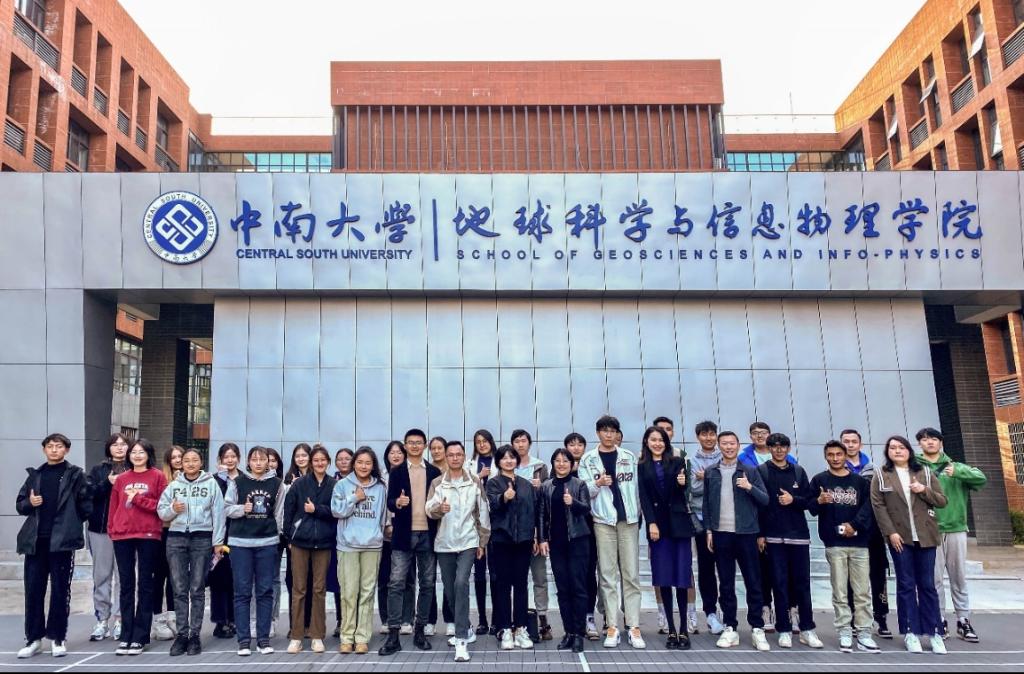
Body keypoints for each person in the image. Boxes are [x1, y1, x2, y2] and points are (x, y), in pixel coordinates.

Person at [871, 435, 949, 655]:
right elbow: (878, 505)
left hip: (925, 536)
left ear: (909, 450)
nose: (897, 451)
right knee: (906, 584)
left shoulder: (925, 472)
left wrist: (922, 490)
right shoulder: (881, 475)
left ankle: (934, 632)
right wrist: (890, 532)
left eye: (901, 447)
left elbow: (942, 500)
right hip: (900, 538)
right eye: (892, 448)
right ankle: (910, 631)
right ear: (887, 452)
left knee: (927, 585)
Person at [16, 433, 92, 659]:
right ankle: (33, 639)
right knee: (33, 591)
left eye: (59, 446)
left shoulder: (75, 474)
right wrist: (30, 502)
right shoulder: (35, 475)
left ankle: (58, 638)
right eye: (50, 446)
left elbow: (86, 505)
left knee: (60, 591)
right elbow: (20, 505)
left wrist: (72, 523)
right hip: (35, 542)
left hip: (62, 543)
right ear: (44, 450)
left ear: (66, 450)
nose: (54, 450)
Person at [578, 415, 646, 650]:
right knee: (607, 575)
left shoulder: (628, 457)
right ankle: (612, 626)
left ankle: (634, 626)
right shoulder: (588, 459)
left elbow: (638, 489)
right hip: (603, 522)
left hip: (628, 521)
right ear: (598, 433)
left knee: (631, 574)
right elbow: (583, 491)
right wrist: (597, 484)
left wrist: (638, 515)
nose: (608, 435)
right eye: (604, 430)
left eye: (612, 431)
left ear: (617, 433)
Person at [808, 441, 880, 654]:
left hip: (859, 543)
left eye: (839, 454)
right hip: (834, 543)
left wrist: (854, 525)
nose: (835, 458)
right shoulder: (820, 480)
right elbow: (810, 507)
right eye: (831, 454)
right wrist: (819, 501)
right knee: (840, 591)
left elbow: (869, 507)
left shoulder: (859, 482)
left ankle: (864, 633)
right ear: (826, 456)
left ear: (845, 456)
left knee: (862, 591)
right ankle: (844, 631)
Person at [916, 427, 986, 643]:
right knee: (934, 579)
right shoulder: (915, 467)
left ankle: (964, 620)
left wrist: (958, 473)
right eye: (925, 440)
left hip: (956, 529)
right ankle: (939, 620)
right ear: (919, 444)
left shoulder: (956, 466)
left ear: (941, 443)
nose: (929, 442)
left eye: (933, 439)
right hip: (929, 530)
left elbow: (981, 479)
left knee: (959, 577)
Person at [703, 430, 770, 651]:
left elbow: (765, 500)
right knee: (726, 583)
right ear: (719, 446)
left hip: (746, 533)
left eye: (732, 443)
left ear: (738, 445)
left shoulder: (750, 471)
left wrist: (749, 487)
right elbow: (706, 504)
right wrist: (709, 530)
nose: (728, 447)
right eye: (724, 443)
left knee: (753, 582)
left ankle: (757, 627)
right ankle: (730, 627)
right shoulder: (711, 472)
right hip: (721, 533)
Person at [157, 447, 227, 657]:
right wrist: (173, 509)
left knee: (197, 588)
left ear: (201, 463)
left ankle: (194, 635)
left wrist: (218, 542)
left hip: (202, 538)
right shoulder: (174, 485)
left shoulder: (211, 484)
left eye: (194, 460)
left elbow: (219, 513)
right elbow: (161, 512)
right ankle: (182, 635)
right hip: (176, 537)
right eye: (186, 460)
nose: (190, 463)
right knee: (179, 588)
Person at [379, 429, 442, 656]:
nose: (414, 446)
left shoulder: (434, 472)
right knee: (396, 583)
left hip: (428, 534)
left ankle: (420, 630)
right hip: (403, 535)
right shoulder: (396, 472)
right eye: (410, 442)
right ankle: (394, 634)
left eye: (418, 442)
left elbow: (438, 502)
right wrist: (398, 502)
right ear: (405, 446)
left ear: (424, 445)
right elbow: (389, 502)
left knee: (427, 584)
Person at [427, 440, 491, 663]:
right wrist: (439, 509)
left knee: (461, 583)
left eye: (459, 454)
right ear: (446, 457)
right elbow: (428, 508)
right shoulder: (438, 483)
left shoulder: (474, 481)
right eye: (451, 455)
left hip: (468, 541)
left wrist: (482, 542)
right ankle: (467, 626)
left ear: (464, 457)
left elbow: (483, 512)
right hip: (444, 543)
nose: (455, 458)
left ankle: (461, 639)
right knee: (450, 588)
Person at [756, 433, 821, 649]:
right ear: (769, 449)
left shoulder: (798, 471)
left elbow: (809, 502)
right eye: (774, 446)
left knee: (802, 584)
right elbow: (759, 504)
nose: (779, 450)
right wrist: (760, 534)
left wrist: (793, 500)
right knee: (779, 583)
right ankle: (783, 629)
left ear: (788, 449)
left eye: (783, 446)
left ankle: (807, 628)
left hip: (798, 537)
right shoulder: (762, 471)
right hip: (773, 537)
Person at [638, 426, 695, 651]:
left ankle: (683, 629)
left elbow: (684, 491)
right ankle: (671, 629)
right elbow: (644, 497)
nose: (657, 443)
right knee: (663, 577)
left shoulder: (678, 462)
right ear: (647, 442)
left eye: (661, 440)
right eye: (653, 439)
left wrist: (682, 483)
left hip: (679, 525)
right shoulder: (642, 466)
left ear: (666, 442)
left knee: (682, 577)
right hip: (658, 527)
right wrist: (651, 523)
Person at [109, 439, 168, 656]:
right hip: (122, 535)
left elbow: (162, 506)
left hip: (148, 534)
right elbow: (114, 507)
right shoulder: (122, 479)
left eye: (142, 452)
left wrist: (139, 499)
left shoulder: (157, 476)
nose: (137, 455)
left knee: (145, 584)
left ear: (149, 454)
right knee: (126, 585)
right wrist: (112, 529)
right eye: (134, 452)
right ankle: (126, 635)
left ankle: (140, 636)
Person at [225, 446, 286, 656]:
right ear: (248, 462)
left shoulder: (277, 484)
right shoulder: (237, 482)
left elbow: (279, 514)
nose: (258, 463)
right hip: (240, 543)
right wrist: (242, 509)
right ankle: (243, 641)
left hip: (267, 542)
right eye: (254, 459)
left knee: (265, 591)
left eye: (262, 459)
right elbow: (226, 508)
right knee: (242, 592)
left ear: (268, 462)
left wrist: (276, 536)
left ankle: (263, 639)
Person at [333, 447, 388, 655]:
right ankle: (347, 637)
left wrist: (379, 534)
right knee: (349, 592)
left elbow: (382, 516)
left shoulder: (380, 488)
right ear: (353, 463)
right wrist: (354, 498)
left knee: (367, 592)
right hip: (347, 545)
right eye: (360, 462)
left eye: (368, 463)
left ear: (373, 465)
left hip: (372, 545)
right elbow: (336, 510)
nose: (364, 466)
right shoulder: (342, 485)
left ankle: (362, 637)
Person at [283, 445, 337, 654]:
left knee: (319, 589)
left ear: (328, 462)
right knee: (299, 589)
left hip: (324, 543)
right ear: (311, 463)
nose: (319, 463)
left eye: (323, 460)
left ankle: (317, 635)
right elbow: (288, 511)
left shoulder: (334, 485)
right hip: (300, 542)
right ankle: (296, 636)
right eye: (316, 460)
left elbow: (337, 511)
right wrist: (289, 537)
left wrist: (317, 510)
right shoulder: (300, 484)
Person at [538, 448, 591, 654]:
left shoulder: (579, 484)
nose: (561, 464)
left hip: (578, 541)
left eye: (565, 461)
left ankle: (579, 633)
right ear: (553, 463)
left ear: (572, 464)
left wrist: (573, 502)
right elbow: (541, 514)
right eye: (557, 460)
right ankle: (568, 632)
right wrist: (542, 539)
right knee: (562, 589)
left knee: (578, 587)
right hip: (556, 543)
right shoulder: (546, 486)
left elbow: (586, 508)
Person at [841, 428, 892, 638]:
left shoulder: (874, 470)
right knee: (850, 577)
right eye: (846, 441)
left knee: (878, 575)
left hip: (873, 531)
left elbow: (879, 501)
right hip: (849, 531)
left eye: (853, 441)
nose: (850, 445)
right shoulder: (837, 470)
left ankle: (881, 617)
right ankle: (855, 617)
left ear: (860, 444)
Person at [485, 445, 537, 651]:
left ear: (517, 460)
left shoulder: (526, 484)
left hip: (523, 540)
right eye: (504, 458)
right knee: (503, 585)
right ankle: (505, 628)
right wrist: (503, 498)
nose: (509, 461)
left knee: (521, 585)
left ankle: (521, 629)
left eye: (512, 457)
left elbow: (532, 512)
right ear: (498, 462)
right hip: (502, 540)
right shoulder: (493, 483)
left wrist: (534, 536)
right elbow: (492, 506)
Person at [739, 422, 785, 633]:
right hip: (756, 520)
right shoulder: (743, 459)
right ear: (750, 436)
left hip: (782, 519)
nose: (759, 436)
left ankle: (788, 610)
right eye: (755, 433)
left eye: (763, 433)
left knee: (783, 571)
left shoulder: (789, 461)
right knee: (760, 570)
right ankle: (765, 609)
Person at [509, 429, 553, 641]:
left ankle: (542, 618)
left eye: (523, 440)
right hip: (514, 534)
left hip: (535, 530)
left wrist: (540, 487)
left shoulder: (539, 467)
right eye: (516, 441)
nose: (520, 444)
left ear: (529, 443)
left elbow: (546, 501)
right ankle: (518, 620)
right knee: (516, 579)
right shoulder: (507, 466)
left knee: (539, 577)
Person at [86, 433, 128, 643]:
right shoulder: (98, 470)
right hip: (100, 529)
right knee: (101, 575)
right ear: (109, 448)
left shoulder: (134, 469)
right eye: (115, 444)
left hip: (127, 531)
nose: (120, 448)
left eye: (123, 444)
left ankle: (120, 619)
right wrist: (107, 483)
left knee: (124, 576)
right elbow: (88, 494)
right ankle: (102, 619)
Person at [688, 420, 723, 635]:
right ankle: (710, 612)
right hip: (702, 519)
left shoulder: (725, 456)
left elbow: (727, 486)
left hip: (726, 519)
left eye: (712, 434)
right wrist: (715, 476)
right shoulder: (691, 461)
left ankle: (727, 612)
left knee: (726, 568)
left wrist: (706, 475)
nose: (708, 438)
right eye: (704, 434)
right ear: (698, 437)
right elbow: (694, 488)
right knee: (706, 567)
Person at [564, 431, 601, 640]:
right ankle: (572, 621)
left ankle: (589, 617)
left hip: (589, 529)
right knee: (569, 576)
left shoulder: (590, 468)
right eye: (572, 444)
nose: (576, 448)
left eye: (579, 444)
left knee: (588, 574)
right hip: (566, 534)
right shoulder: (559, 470)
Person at [377, 442, 415, 635]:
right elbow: (380, 505)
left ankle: (407, 619)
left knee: (407, 578)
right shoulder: (379, 478)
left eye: (399, 452)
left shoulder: (410, 474)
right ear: (387, 456)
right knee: (385, 578)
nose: (396, 455)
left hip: (406, 532)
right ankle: (386, 619)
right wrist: (386, 525)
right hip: (383, 535)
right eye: (392, 452)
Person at [150, 446, 182, 642]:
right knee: (158, 577)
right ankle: (158, 619)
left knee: (174, 577)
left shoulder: (190, 479)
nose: (177, 460)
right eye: (174, 457)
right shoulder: (162, 479)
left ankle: (173, 617)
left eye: (180, 456)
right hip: (161, 532)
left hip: (180, 533)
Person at [282, 443, 313, 642]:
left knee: (310, 582)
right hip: (295, 538)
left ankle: (309, 624)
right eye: (297, 456)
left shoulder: (316, 479)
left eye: (304, 455)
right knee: (293, 581)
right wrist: (288, 538)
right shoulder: (287, 480)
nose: (301, 458)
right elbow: (287, 511)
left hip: (314, 537)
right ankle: (295, 625)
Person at [209, 443, 240, 640]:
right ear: (220, 460)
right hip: (219, 535)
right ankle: (221, 621)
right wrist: (221, 479)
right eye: (226, 457)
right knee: (219, 579)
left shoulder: (244, 479)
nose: (230, 460)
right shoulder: (213, 480)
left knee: (237, 579)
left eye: (233, 456)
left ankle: (235, 619)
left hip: (239, 534)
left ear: (238, 458)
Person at [426, 435, 455, 638]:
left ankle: (451, 619)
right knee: (428, 578)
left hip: (450, 531)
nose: (436, 451)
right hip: (429, 530)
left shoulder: (454, 471)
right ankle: (429, 620)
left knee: (449, 578)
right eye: (433, 448)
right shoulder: (428, 472)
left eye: (439, 448)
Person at [470, 430, 497, 635]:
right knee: (479, 575)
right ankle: (481, 620)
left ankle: (496, 619)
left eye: (485, 441)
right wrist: (479, 477)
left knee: (495, 574)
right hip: (476, 525)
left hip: (496, 524)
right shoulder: (469, 465)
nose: (482, 444)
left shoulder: (500, 461)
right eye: (478, 442)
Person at [326, 446, 353, 639]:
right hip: (334, 536)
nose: (343, 461)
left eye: (347, 458)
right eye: (340, 459)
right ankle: (341, 619)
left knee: (354, 581)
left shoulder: (358, 481)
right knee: (338, 582)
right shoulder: (330, 482)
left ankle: (354, 620)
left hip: (355, 536)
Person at [263, 448, 285, 640]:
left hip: (277, 537)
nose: (270, 464)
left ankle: (272, 618)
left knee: (274, 578)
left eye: (273, 460)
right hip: (258, 536)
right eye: (267, 460)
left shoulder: (282, 483)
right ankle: (258, 617)